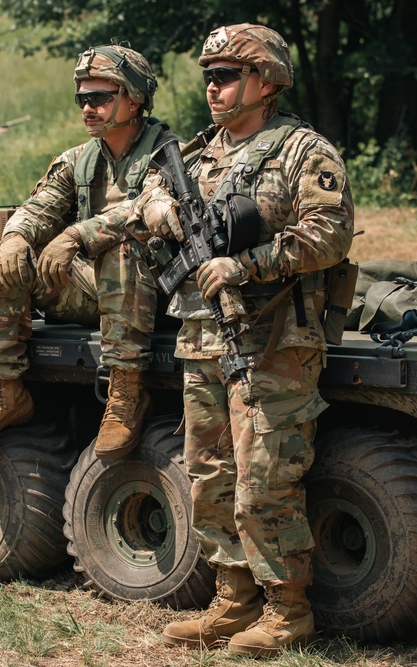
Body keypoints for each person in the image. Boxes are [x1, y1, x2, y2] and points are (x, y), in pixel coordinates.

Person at [133, 24, 354, 657]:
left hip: (275, 339)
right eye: (209, 75)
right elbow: (150, 187)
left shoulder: (303, 152)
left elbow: (330, 237)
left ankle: (288, 611)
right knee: (209, 475)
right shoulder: (198, 154)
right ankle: (233, 600)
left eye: (227, 75)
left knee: (266, 480)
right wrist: (155, 207)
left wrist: (248, 263)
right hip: (203, 336)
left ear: (266, 81)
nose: (213, 87)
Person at [0, 45, 178, 459]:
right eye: (83, 99)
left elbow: (144, 211)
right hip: (93, 290)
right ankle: (6, 391)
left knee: (120, 248)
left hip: (156, 293)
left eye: (101, 98)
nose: (89, 108)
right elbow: (38, 208)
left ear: (135, 98)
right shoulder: (80, 160)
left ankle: (126, 393)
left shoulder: (172, 155)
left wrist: (75, 235)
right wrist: (19, 236)